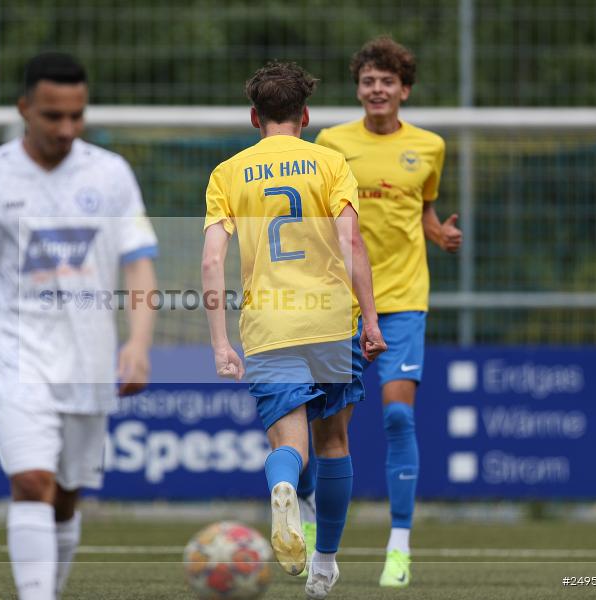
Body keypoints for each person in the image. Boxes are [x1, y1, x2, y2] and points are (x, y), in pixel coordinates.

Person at [0, 52, 158, 600]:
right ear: (24, 109)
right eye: (53, 116)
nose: (66, 129)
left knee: (65, 495)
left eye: (77, 116)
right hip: (19, 353)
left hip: (88, 358)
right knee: (31, 482)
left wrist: (137, 341)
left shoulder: (110, 173)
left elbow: (138, 262)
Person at [202, 61, 386, 600]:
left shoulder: (228, 172)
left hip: (269, 323)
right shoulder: (330, 163)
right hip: (330, 321)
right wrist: (371, 319)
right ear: (304, 115)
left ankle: (282, 484)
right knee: (334, 442)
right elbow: (352, 245)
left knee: (290, 444)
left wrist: (219, 342)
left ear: (254, 116)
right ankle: (324, 565)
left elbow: (213, 262)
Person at [313, 36, 463, 588]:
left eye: (387, 81)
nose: (377, 89)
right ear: (359, 89)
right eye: (368, 81)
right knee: (330, 426)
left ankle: (399, 543)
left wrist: (438, 233)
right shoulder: (331, 142)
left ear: (404, 90)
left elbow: (421, 209)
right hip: (341, 303)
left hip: (402, 299)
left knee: (398, 415)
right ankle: (314, 524)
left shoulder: (429, 146)